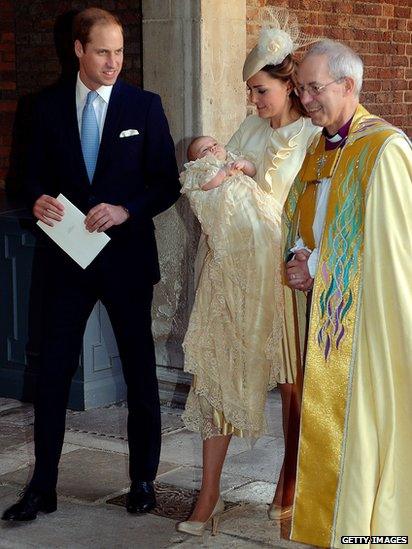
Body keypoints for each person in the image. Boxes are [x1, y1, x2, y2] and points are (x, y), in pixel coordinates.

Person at [2, 7, 180, 522]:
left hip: (126, 261)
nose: (113, 62)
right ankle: (43, 487)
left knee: (141, 372)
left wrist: (127, 210)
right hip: (64, 261)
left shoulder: (144, 107)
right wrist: (34, 199)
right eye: (102, 51)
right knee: (52, 373)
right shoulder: (41, 108)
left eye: (119, 51)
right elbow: (22, 179)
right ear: (78, 50)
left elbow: (165, 182)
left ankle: (143, 480)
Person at [176, 8, 320, 537]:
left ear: (287, 85)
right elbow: (220, 175)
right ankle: (208, 493)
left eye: (261, 91)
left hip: (285, 275)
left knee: (293, 387)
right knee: (217, 375)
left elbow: (288, 198)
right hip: (239, 272)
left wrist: (240, 172)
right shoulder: (250, 127)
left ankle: (290, 482)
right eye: (250, 93)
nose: (254, 102)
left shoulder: (311, 133)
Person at [283, 39, 412, 547]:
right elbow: (306, 213)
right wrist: (297, 256)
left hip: (370, 323)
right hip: (328, 312)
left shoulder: (387, 149)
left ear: (349, 85)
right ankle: (337, 528)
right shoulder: (319, 144)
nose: (306, 99)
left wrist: (318, 266)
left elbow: (394, 248)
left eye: (315, 88)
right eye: (301, 89)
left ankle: (373, 535)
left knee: (365, 428)